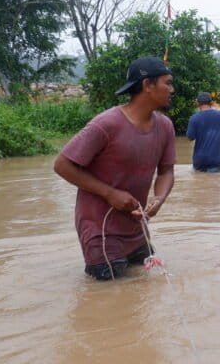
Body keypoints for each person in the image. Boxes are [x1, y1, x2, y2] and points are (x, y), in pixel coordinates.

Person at [53, 56, 176, 280]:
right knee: (108, 296)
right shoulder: (105, 124)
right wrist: (110, 194)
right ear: (148, 85)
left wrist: (159, 200)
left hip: (136, 227)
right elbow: (62, 165)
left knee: (143, 289)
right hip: (101, 229)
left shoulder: (165, 126)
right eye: (167, 83)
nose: (172, 89)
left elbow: (166, 171)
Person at [186, 92, 220, 173]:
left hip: (199, 159)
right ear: (211, 103)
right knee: (214, 183)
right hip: (215, 159)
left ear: (198, 104)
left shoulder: (193, 119)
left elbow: (190, 137)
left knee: (198, 183)